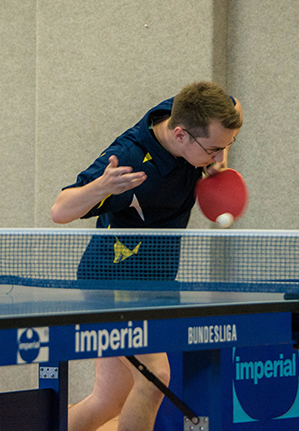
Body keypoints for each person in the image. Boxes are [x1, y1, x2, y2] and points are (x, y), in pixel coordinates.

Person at [51, 81, 243, 431]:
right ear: (181, 135)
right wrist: (101, 187)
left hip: (151, 285)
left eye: (225, 147)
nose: (218, 158)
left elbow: (234, 105)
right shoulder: (129, 158)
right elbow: (60, 210)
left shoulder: (192, 111)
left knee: (107, 400)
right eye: (213, 149)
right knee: (155, 376)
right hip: (110, 285)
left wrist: (219, 156)